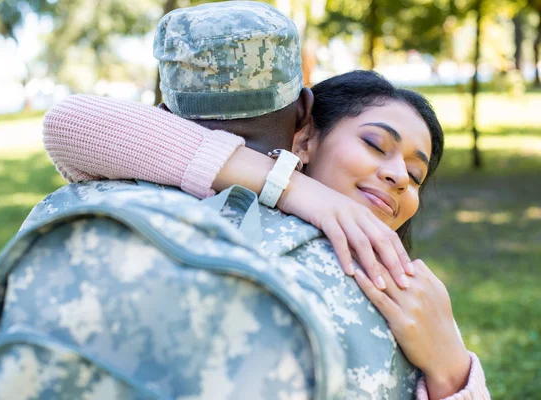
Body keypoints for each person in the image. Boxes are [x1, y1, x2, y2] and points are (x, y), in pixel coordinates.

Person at [34, 2, 490, 399]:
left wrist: (451, 364)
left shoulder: (66, 211)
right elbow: (74, 124)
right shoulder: (352, 291)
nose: (397, 176)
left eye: (415, 176)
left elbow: (71, 124)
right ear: (306, 132)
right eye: (374, 143)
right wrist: (292, 186)